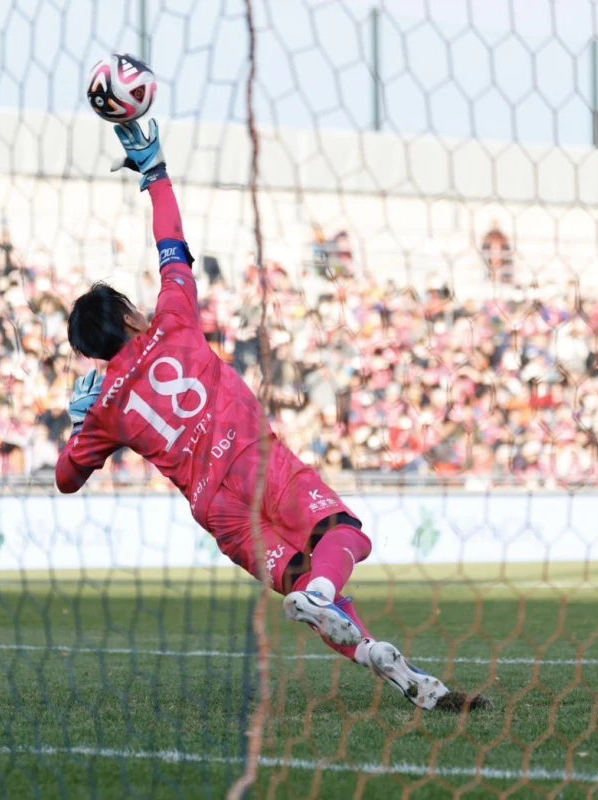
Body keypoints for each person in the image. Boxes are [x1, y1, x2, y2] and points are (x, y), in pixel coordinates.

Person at [55, 119, 487, 713]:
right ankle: (323, 595)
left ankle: (401, 675)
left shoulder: (105, 409)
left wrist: (81, 425)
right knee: (344, 536)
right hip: (252, 456)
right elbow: (172, 243)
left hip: (216, 510)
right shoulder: (172, 319)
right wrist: (154, 173)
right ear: (129, 315)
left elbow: (66, 479)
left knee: (308, 581)